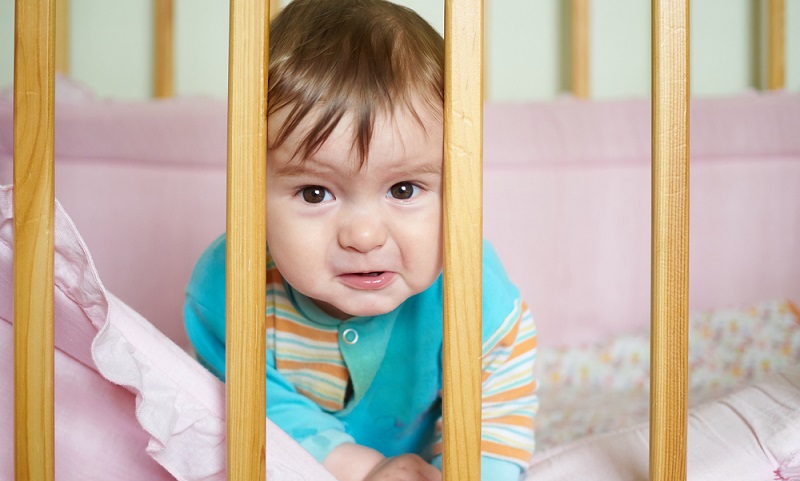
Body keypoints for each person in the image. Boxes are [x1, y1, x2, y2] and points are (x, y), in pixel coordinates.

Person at [184, 1, 537, 480]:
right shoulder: (229, 284)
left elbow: (499, 391)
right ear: (251, 189)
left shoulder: (473, 288)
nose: (365, 236)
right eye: (314, 192)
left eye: (404, 189)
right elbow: (251, 404)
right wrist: (362, 469)